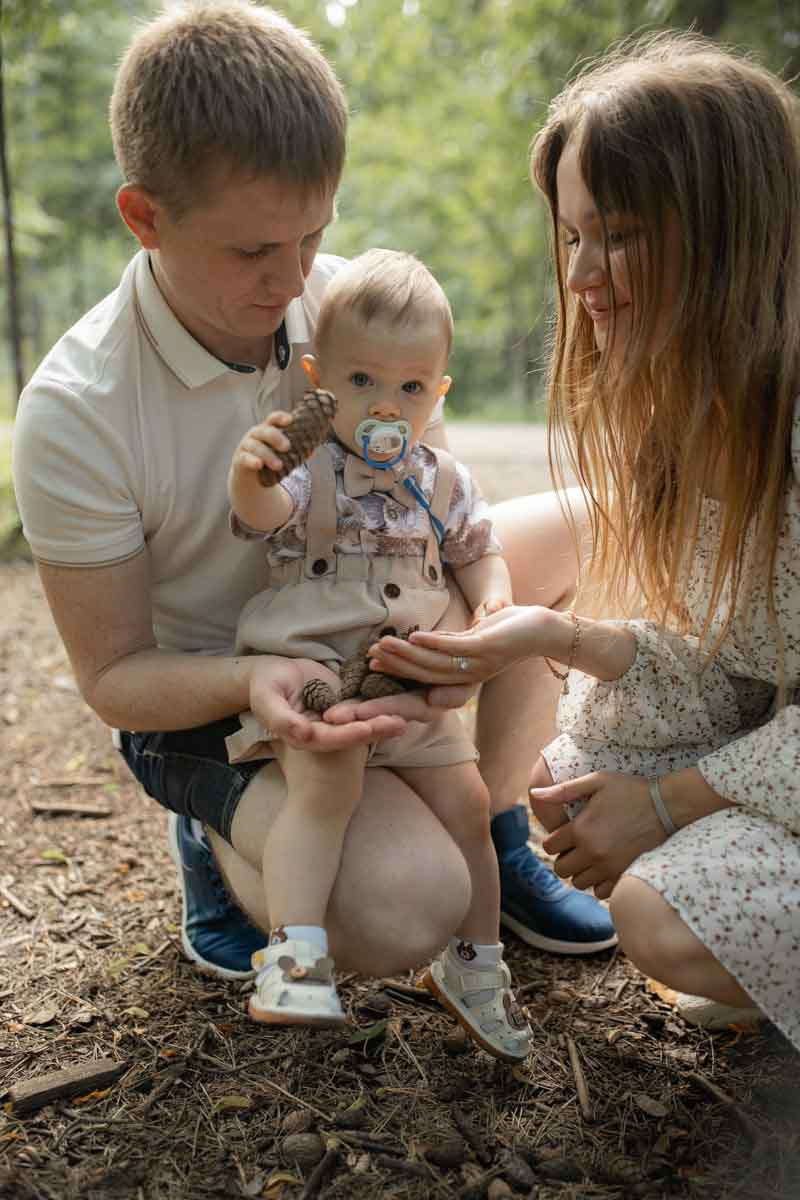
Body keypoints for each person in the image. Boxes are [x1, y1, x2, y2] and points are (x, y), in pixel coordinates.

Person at [11, 0, 613, 987]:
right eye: (252, 251)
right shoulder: (77, 409)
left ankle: (490, 822)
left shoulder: (341, 300)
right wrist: (251, 685)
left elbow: (434, 507)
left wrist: (462, 633)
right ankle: (216, 833)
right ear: (144, 215)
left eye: (312, 234)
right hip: (222, 690)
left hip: (368, 616)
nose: (293, 279)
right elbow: (115, 679)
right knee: (401, 915)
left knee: (592, 523)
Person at [365, 32, 800, 1051]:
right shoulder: (696, 411)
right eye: (570, 239)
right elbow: (742, 665)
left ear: (729, 230)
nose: (584, 278)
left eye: (621, 235)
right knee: (595, 744)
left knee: (658, 912)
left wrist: (667, 801)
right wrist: (551, 640)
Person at [217, 248, 531, 1058]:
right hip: (318, 675)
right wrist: (253, 473)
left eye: (411, 388)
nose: (386, 405)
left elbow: (477, 549)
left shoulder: (447, 481)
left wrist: (493, 593)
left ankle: (477, 962)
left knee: (470, 805)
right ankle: (295, 953)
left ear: (439, 392)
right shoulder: (311, 470)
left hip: (410, 683)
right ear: (321, 380)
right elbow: (258, 516)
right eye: (362, 383)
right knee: (324, 785)